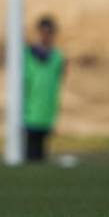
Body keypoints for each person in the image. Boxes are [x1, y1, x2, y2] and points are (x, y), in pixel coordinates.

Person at [24, 16, 66, 162]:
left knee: (41, 159)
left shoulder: (58, 58)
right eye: (44, 32)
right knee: (29, 158)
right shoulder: (27, 55)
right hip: (29, 114)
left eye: (50, 32)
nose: (46, 36)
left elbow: (58, 83)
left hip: (46, 114)